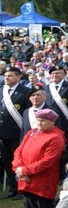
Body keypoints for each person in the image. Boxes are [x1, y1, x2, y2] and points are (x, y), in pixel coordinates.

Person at [12, 108, 66, 208]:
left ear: (52, 122)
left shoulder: (56, 137)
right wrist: (19, 169)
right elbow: (18, 151)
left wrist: (25, 170)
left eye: (43, 121)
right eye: (38, 120)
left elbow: (47, 161)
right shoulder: (32, 132)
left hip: (42, 184)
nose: (39, 123)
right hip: (26, 181)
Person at [0, 66, 31, 200]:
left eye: (10, 75)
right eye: (5, 75)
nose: (7, 78)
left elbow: (29, 114)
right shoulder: (2, 91)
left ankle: (21, 188)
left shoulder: (26, 92)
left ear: (18, 77)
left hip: (18, 134)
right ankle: (13, 188)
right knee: (7, 162)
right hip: (2, 133)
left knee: (19, 163)